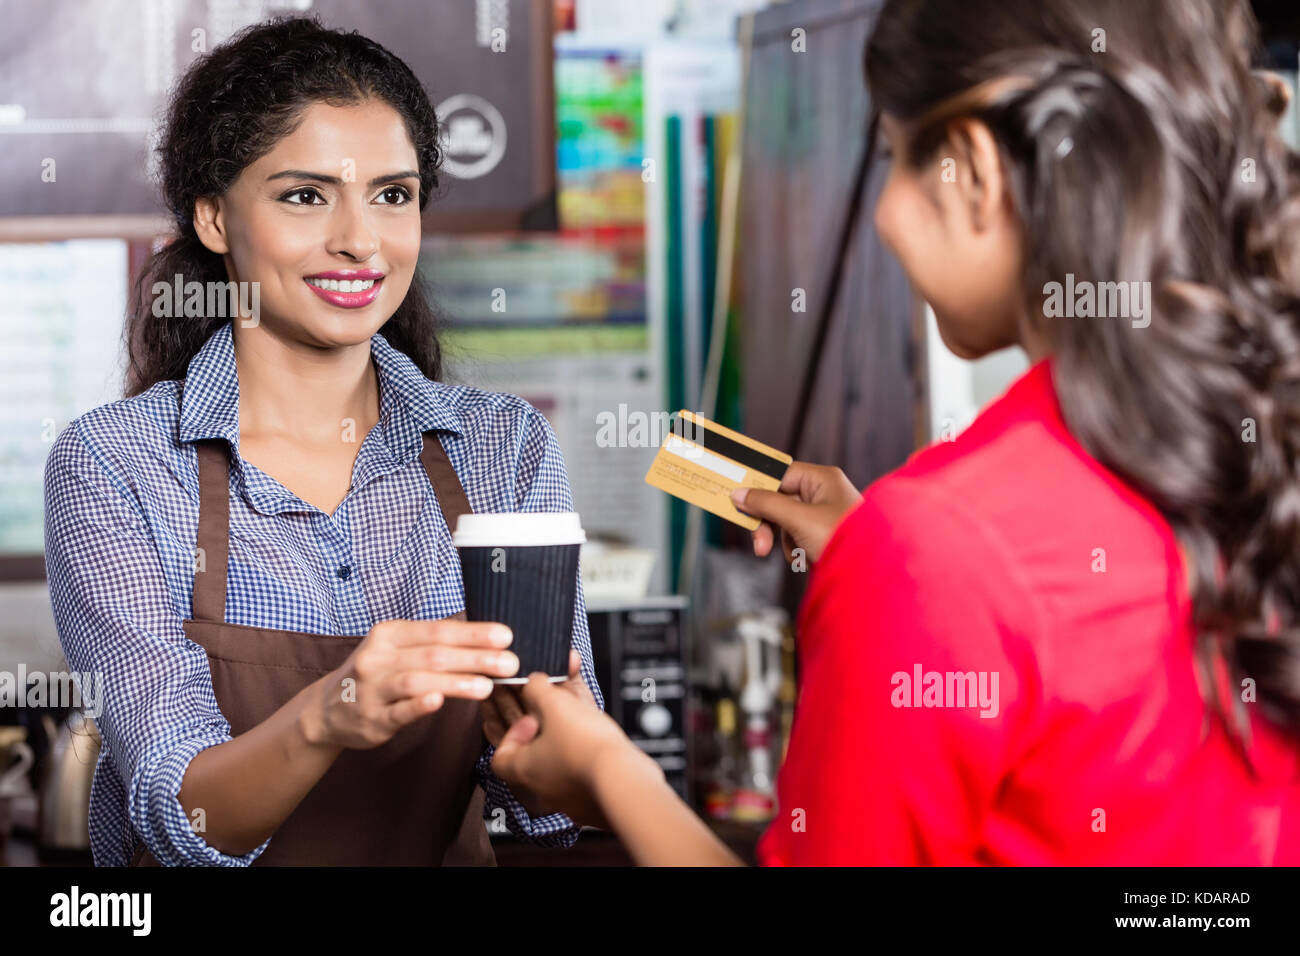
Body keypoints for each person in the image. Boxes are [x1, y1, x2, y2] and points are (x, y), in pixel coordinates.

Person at [485, 0, 1300, 865]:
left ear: (976, 173)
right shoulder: (1255, 448)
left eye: (895, 159)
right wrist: (875, 561)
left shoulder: (937, 546)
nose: (882, 215)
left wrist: (611, 771)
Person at [42, 14, 601, 867]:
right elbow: (179, 815)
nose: (361, 240)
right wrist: (329, 713)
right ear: (214, 218)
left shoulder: (503, 448)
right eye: (305, 196)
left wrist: (552, 743)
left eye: (393, 194)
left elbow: (547, 811)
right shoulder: (116, 466)